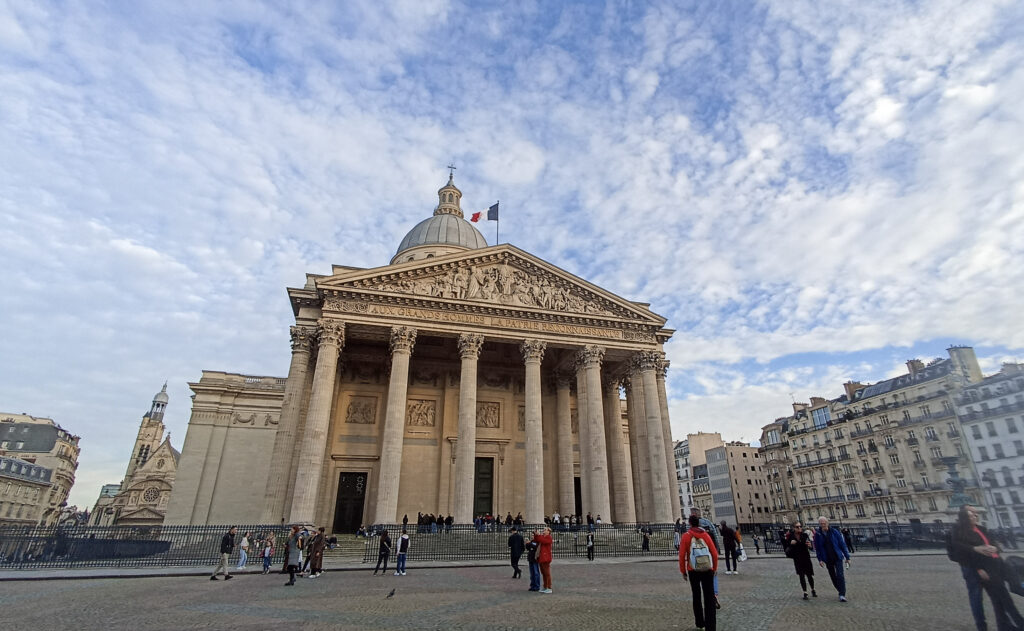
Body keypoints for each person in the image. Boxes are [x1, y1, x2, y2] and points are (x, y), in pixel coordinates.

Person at [948, 504, 1024, 631]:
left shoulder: (981, 529)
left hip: (996, 564)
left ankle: (1004, 625)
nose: (975, 515)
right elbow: (960, 553)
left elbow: (993, 543)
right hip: (981, 568)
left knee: (999, 596)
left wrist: (995, 548)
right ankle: (984, 626)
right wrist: (978, 566)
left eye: (975, 513)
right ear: (964, 517)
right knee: (982, 597)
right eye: (972, 514)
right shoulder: (959, 532)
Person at [680, 514, 719, 631]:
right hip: (707, 570)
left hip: (693, 570)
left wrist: (683, 571)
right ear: (699, 523)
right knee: (709, 597)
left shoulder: (686, 536)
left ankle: (700, 623)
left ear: (690, 524)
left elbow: (682, 555)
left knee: (696, 596)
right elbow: (714, 553)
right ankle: (711, 626)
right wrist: (714, 568)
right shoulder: (706, 535)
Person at [813, 516, 851, 602]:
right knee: (833, 577)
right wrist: (820, 559)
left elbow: (842, 544)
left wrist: (847, 557)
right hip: (827, 558)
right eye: (821, 524)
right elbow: (818, 548)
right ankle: (840, 589)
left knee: (840, 575)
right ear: (819, 524)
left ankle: (842, 594)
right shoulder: (818, 534)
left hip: (837, 556)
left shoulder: (835, 532)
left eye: (824, 523)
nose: (823, 525)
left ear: (827, 523)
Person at [783, 521, 816, 600]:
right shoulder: (790, 536)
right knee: (801, 576)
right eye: (797, 527)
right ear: (794, 528)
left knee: (809, 575)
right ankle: (805, 592)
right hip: (797, 558)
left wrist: (810, 546)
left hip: (806, 557)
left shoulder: (804, 535)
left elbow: (811, 547)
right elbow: (786, 547)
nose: (799, 528)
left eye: (800, 526)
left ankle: (813, 589)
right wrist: (791, 544)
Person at [534, 526, 554, 594]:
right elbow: (537, 540)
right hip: (542, 557)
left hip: (546, 558)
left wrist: (538, 535)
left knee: (547, 573)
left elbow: (542, 540)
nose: (543, 531)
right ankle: (545, 587)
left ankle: (549, 587)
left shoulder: (549, 538)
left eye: (545, 530)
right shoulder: (543, 537)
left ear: (548, 532)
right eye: (543, 529)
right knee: (543, 573)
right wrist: (536, 535)